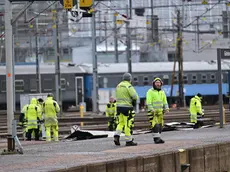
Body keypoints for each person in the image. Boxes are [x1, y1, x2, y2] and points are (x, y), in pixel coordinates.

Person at [113, 72, 139, 146]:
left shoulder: (118, 86)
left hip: (118, 107)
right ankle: (128, 140)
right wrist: (132, 101)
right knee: (128, 124)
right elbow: (135, 96)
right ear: (130, 79)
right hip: (127, 108)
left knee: (121, 122)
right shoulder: (129, 86)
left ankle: (116, 136)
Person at [146, 77, 169, 144]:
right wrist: (151, 109)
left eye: (159, 83)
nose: (158, 84)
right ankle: (157, 139)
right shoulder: (150, 92)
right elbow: (149, 102)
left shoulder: (162, 92)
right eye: (156, 83)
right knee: (155, 125)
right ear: (154, 84)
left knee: (160, 126)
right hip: (152, 112)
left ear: (161, 84)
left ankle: (157, 138)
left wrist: (166, 108)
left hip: (160, 112)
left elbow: (165, 101)